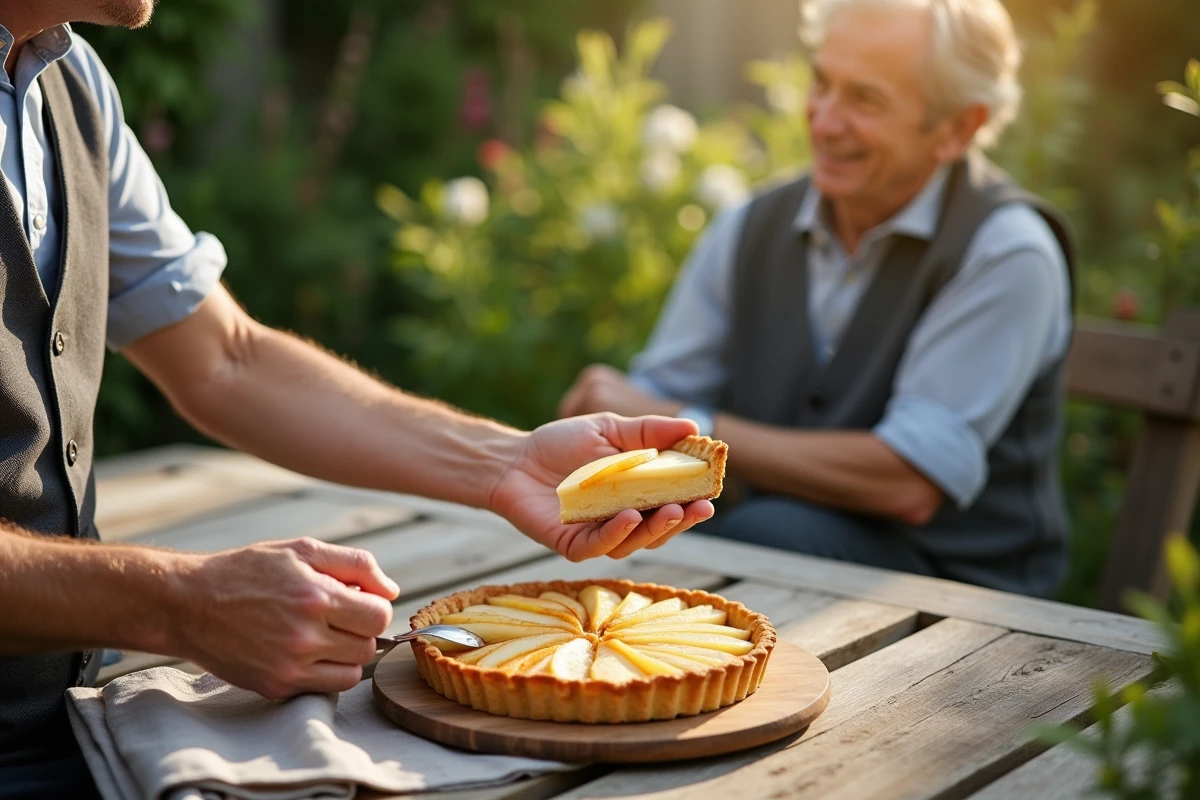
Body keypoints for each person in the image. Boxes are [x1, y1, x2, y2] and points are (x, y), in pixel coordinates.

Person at [0, 3, 714, 796]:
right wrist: (177, 605)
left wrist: (505, 461)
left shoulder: (70, 86)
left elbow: (226, 359)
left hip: (81, 725)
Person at [561, 0, 1075, 599]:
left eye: (866, 100)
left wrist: (688, 428)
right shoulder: (749, 227)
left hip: (967, 599)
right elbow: (653, 401)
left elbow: (909, 482)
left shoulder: (1007, 252)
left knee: (758, 534)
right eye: (822, 84)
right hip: (781, 564)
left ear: (958, 128)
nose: (825, 121)